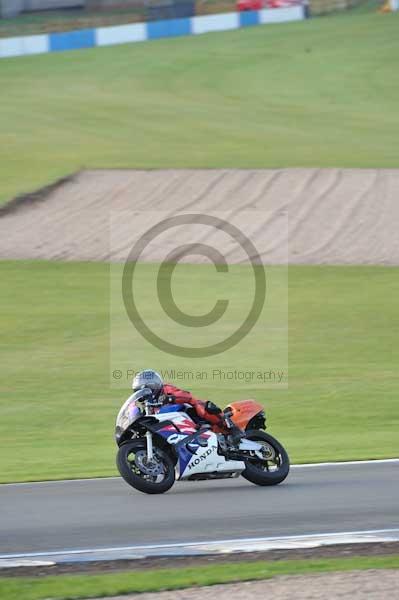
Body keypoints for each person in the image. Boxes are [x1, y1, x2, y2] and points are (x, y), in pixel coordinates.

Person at [131, 369, 243, 446]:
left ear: (153, 386)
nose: (144, 393)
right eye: (139, 391)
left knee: (202, 407)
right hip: (176, 430)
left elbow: (187, 396)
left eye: (146, 389)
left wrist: (170, 398)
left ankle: (231, 427)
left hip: (189, 415)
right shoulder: (149, 408)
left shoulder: (166, 389)